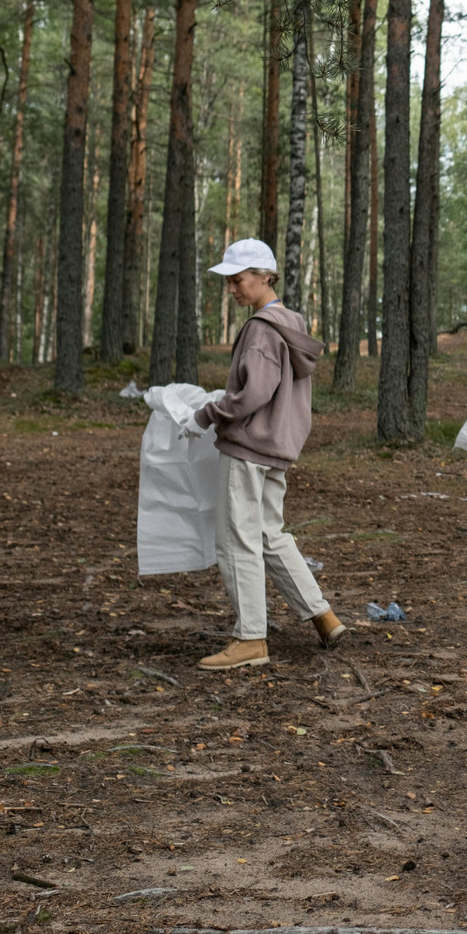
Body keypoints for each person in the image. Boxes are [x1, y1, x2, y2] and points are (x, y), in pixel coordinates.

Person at [184, 239, 345, 671]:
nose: (232, 289)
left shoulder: (260, 329)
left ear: (263, 277)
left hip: (249, 445)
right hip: (277, 448)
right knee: (270, 534)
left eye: (237, 280)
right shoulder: (290, 324)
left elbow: (252, 393)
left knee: (237, 539)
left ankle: (251, 638)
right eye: (229, 282)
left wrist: (206, 414)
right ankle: (323, 617)